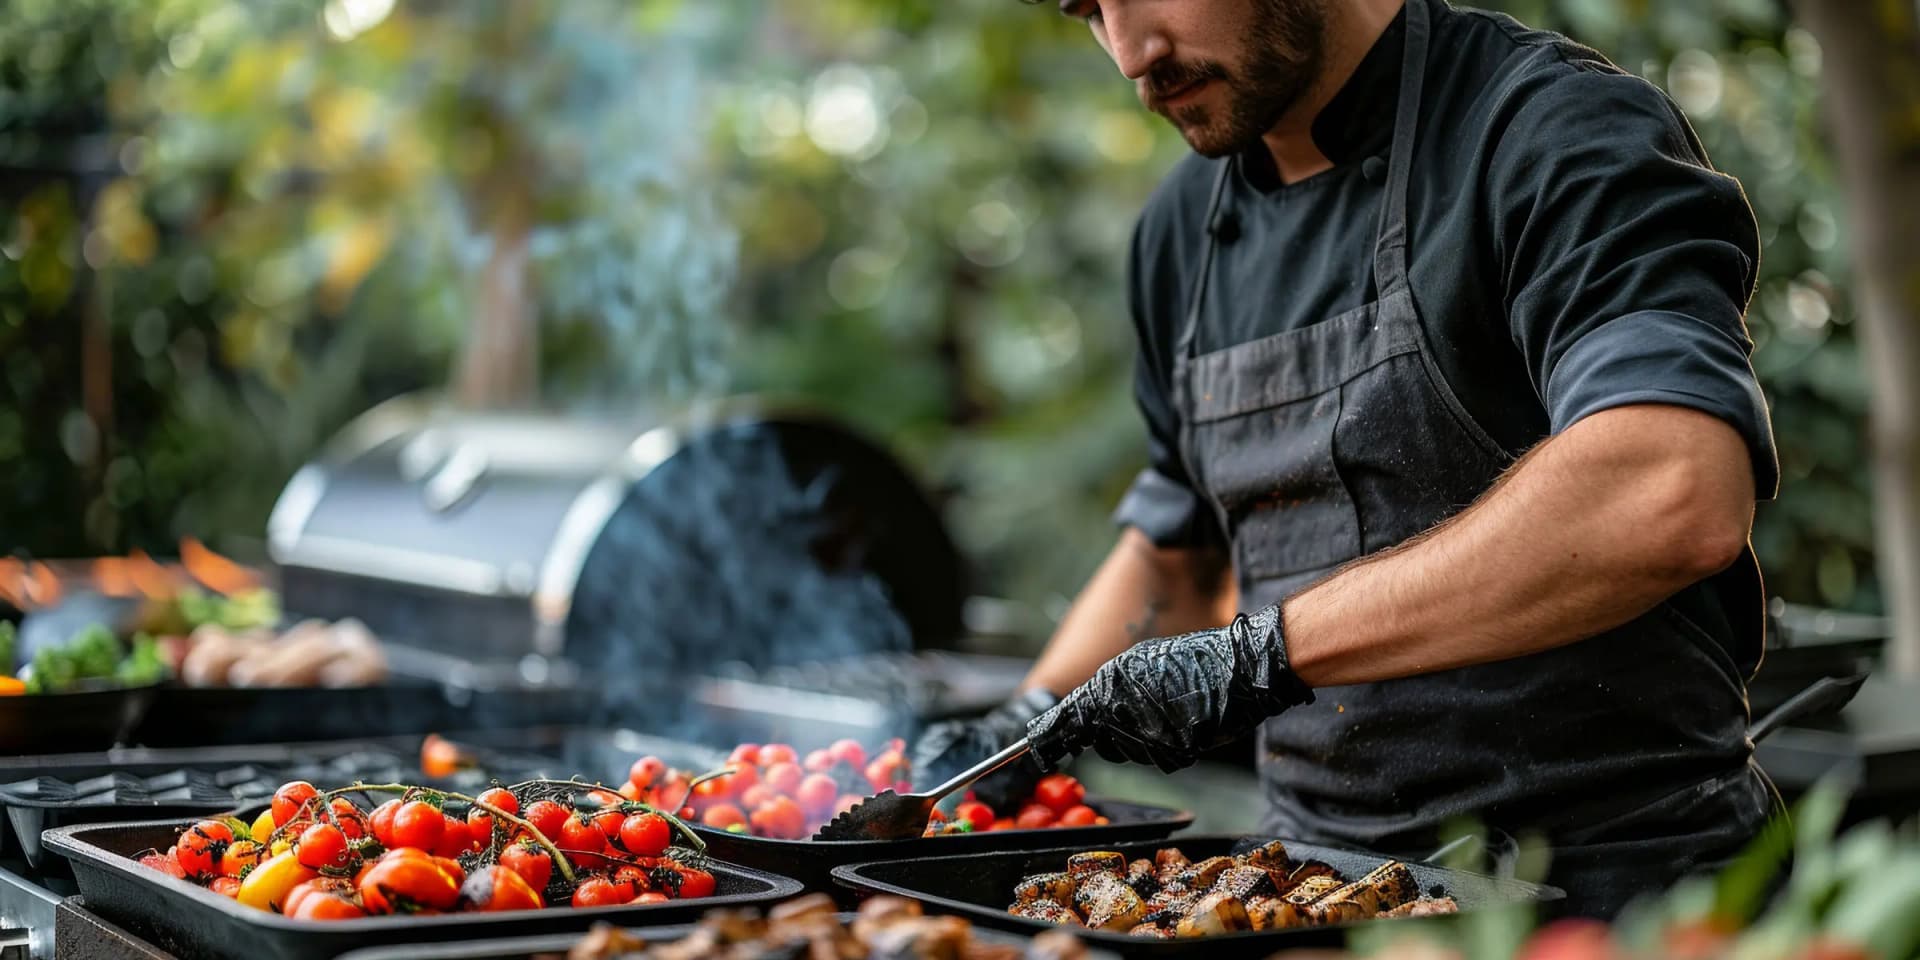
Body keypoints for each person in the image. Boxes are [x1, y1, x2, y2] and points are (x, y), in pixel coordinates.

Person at [914, 0, 1777, 917]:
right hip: (1303, 893)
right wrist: (1024, 724)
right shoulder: (1181, 232)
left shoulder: (1550, 129)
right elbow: (1179, 550)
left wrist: (1265, 654)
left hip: (1617, 895)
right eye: (1087, 8)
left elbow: (1669, 488)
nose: (1132, 51)